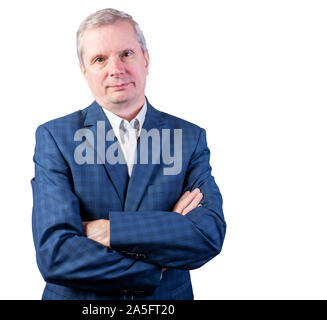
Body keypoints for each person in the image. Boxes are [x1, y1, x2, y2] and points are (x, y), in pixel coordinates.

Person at [31, 8, 226, 300]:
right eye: (99, 59)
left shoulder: (189, 138)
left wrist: (110, 231)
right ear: (84, 71)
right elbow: (55, 255)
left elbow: (207, 235)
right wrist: (157, 261)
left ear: (145, 59)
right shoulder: (55, 138)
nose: (115, 69)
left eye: (126, 54)